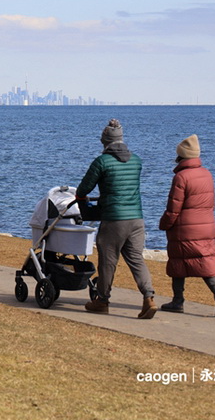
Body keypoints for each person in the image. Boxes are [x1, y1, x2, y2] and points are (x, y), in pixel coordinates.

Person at [75, 119, 157, 319]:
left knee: (108, 261)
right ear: (122, 139)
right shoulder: (136, 161)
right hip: (136, 219)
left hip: (114, 219)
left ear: (104, 141)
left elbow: (83, 189)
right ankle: (149, 297)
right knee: (136, 259)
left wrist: (82, 200)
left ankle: (102, 301)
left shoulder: (102, 162)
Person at [158, 134, 215, 317]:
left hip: (184, 228)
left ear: (181, 156)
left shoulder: (181, 177)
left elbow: (174, 208)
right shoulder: (207, 174)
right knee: (205, 263)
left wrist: (165, 223)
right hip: (206, 226)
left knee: (177, 265)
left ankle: (178, 301)